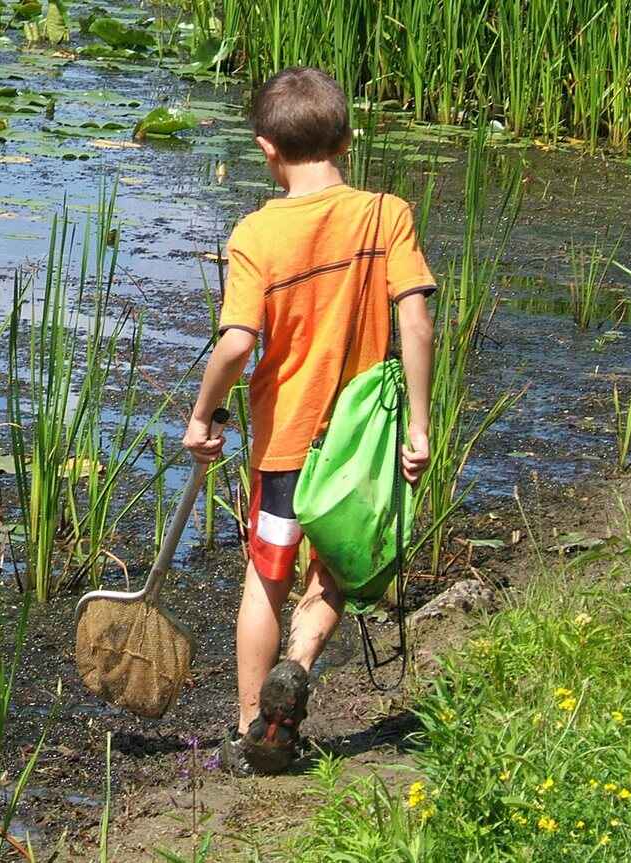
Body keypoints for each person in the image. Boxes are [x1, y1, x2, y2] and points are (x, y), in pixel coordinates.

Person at [182, 67, 436, 776]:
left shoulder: (256, 233)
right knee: (337, 573)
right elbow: (415, 321)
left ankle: (249, 725)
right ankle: (295, 664)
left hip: (285, 446)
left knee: (266, 576)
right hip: (360, 449)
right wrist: (418, 425)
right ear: (348, 139)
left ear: (266, 150)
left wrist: (203, 416)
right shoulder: (387, 214)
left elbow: (236, 343)